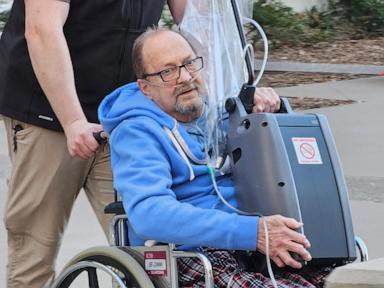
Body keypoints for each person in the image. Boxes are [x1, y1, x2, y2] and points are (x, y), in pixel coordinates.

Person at [99, 27, 332, 287]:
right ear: (145, 88)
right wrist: (252, 232)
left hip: (253, 238)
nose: (185, 77)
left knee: (341, 280)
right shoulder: (136, 132)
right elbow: (149, 214)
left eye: (189, 63)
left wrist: (262, 112)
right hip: (189, 249)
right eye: (168, 71)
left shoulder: (221, 113)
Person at [0, 1, 186, 287]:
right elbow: (42, 28)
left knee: (147, 253)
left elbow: (199, 19)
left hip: (121, 114)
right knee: (34, 253)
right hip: (46, 111)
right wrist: (73, 121)